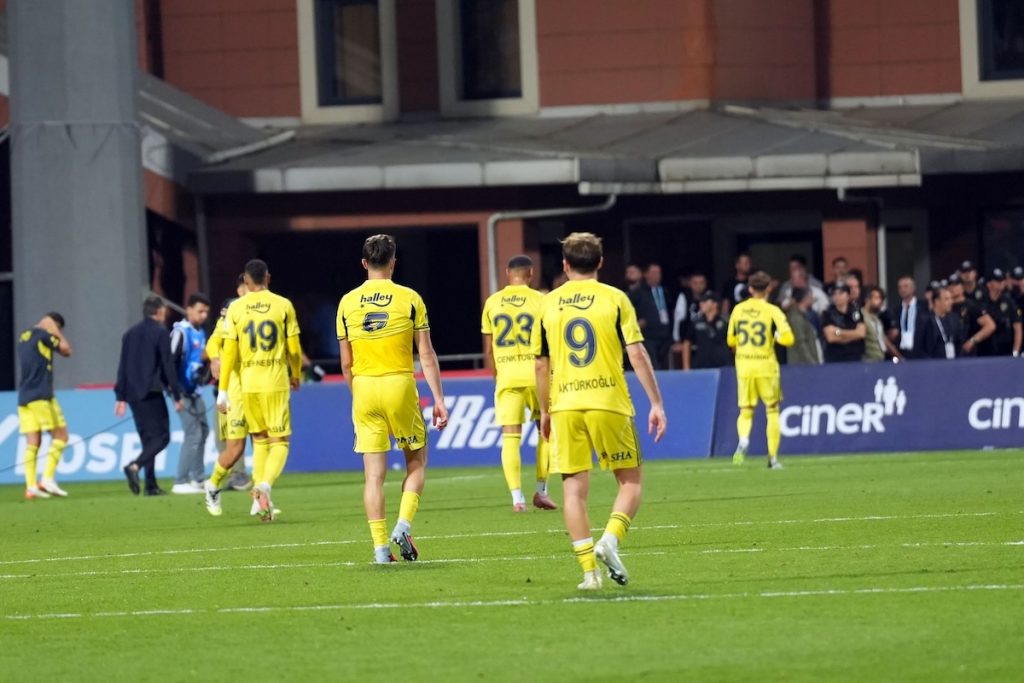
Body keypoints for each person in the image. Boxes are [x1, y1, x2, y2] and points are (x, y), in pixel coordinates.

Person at [533, 232, 666, 590]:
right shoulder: (615, 298)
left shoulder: (547, 303)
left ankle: (589, 575)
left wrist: (545, 411)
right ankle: (611, 538)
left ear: (564, 264)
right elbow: (636, 352)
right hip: (609, 401)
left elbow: (541, 365)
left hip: (565, 405)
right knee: (631, 481)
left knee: (573, 492)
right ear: (601, 262)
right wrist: (656, 402)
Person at [336, 234, 449, 564]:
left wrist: (357, 393)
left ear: (364, 263)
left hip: (365, 387)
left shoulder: (347, 303)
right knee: (416, 460)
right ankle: (403, 524)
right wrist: (438, 399)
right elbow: (425, 354)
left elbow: (346, 362)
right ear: (394, 262)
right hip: (399, 385)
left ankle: (380, 549)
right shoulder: (410, 299)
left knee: (373, 476)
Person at [214, 259, 303, 521]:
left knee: (261, 440)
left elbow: (228, 353)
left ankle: (258, 500)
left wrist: (223, 391)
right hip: (274, 382)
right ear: (268, 278)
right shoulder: (283, 305)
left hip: (248, 386)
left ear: (246, 280)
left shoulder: (236, 308)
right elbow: (294, 348)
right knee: (281, 442)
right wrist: (295, 373)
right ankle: (264, 486)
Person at [480, 255, 556, 512]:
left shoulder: (492, 302)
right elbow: (551, 343)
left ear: (507, 273)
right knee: (545, 430)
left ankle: (517, 498)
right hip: (538, 374)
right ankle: (542, 490)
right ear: (531, 273)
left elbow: (488, 351)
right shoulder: (541, 300)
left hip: (508, 377)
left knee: (510, 437)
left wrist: (498, 378)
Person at [115, 296, 183, 496]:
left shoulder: (129, 334)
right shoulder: (160, 332)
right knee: (162, 437)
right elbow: (167, 365)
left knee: (147, 439)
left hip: (133, 394)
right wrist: (176, 395)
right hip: (152, 392)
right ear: (159, 312)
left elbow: (122, 367)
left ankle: (150, 485)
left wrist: (120, 396)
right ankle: (134, 466)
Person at [727, 271, 794, 470]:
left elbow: (730, 339)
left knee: (746, 410)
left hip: (744, 365)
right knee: (772, 410)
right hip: (766, 366)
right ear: (769, 288)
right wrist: (775, 338)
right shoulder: (773, 311)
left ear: (749, 289)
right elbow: (789, 339)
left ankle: (744, 439)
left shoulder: (738, 310)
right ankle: (772, 458)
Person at [202, 280, 254, 516]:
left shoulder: (268, 308)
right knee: (234, 448)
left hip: (261, 388)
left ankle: (262, 498)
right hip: (235, 391)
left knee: (268, 441)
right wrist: (214, 358)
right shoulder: (232, 309)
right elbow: (214, 340)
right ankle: (213, 484)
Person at [17, 313, 73, 499]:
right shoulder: (43, 335)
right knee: (61, 435)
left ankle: (31, 486)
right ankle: (48, 478)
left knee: (33, 442)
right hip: (42, 396)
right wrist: (55, 330)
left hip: (24, 396)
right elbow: (66, 350)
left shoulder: (24, 335)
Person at [170, 293, 211, 494]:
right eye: (200, 311)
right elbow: (171, 362)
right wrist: (175, 392)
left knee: (203, 430)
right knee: (192, 433)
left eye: (206, 312)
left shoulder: (200, 332)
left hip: (195, 391)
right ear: (189, 309)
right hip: (182, 392)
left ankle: (198, 479)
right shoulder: (181, 332)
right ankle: (180, 481)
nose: (203, 315)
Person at [629, 263, 673, 369]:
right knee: (653, 365)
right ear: (646, 274)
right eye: (653, 272)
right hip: (648, 336)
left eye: (659, 272)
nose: (657, 275)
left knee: (665, 364)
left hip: (665, 334)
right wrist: (636, 323)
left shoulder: (665, 291)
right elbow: (627, 308)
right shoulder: (638, 292)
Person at [978, 267, 1023, 357]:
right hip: (985, 350)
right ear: (989, 284)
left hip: (1005, 350)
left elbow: (1018, 328)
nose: (1002, 283)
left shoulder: (1009, 301)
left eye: (1002, 280)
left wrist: (1015, 351)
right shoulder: (981, 301)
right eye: (998, 281)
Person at [682, 292, 733, 370]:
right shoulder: (695, 322)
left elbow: (733, 343)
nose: (701, 304)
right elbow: (687, 343)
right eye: (701, 301)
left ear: (715, 304)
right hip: (701, 365)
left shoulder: (726, 322)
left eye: (705, 301)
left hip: (723, 365)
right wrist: (686, 367)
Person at [948, 274, 995, 357]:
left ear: (962, 287)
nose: (952, 288)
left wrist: (972, 340)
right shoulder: (947, 306)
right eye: (950, 285)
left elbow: (990, 325)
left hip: (965, 351)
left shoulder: (970, 305)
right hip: (950, 349)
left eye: (955, 285)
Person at [821, 282, 866, 363]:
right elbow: (831, 337)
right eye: (834, 294)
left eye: (841, 293)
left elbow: (861, 333)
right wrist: (854, 334)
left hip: (855, 358)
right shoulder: (827, 314)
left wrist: (838, 332)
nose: (837, 296)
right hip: (835, 359)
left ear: (848, 295)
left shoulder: (855, 312)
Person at [914, 286, 957, 359]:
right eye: (947, 299)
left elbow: (959, 342)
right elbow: (918, 347)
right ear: (937, 301)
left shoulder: (954, 319)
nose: (951, 302)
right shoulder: (924, 320)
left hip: (953, 364)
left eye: (951, 299)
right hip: (932, 365)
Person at [862, 286, 902, 362]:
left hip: (880, 359)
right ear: (867, 299)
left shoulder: (877, 319)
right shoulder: (861, 316)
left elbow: (883, 340)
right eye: (876, 298)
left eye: (881, 299)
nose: (879, 301)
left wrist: (900, 357)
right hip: (868, 360)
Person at [784, 287, 821, 365]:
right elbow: (801, 343)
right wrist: (812, 362)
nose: (813, 299)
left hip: (804, 363)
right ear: (805, 299)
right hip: (801, 364)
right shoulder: (796, 318)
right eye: (810, 297)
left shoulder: (804, 316)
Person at [894, 276, 927, 358]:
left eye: (905, 286)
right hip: (902, 353)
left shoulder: (923, 306)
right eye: (900, 287)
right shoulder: (897, 309)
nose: (902, 289)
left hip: (920, 352)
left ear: (913, 288)